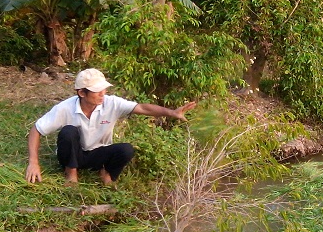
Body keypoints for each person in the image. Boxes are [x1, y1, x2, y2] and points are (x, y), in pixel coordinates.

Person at [25, 68, 196, 185]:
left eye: (104, 90)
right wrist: (33, 162)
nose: (102, 94)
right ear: (82, 93)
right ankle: (71, 174)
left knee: (126, 149)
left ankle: (106, 174)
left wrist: (172, 112)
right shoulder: (65, 108)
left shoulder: (112, 103)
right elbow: (36, 130)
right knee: (68, 132)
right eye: (96, 91)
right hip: (72, 155)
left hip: (98, 154)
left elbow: (142, 108)